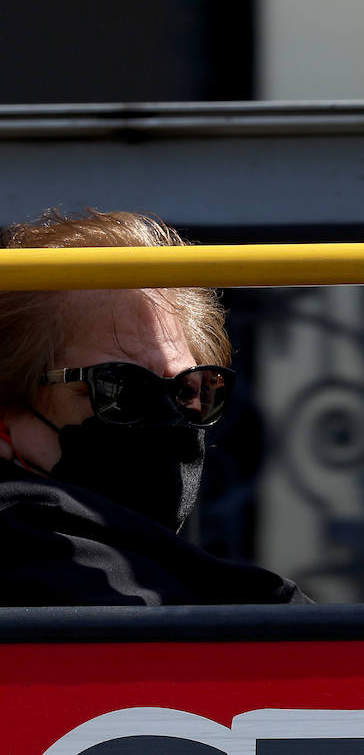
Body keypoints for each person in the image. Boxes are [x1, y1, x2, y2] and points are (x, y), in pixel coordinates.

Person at [0, 209, 310, 604]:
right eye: (122, 387)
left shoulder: (162, 572)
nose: (168, 419)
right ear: (6, 409)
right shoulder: (40, 558)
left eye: (188, 390)